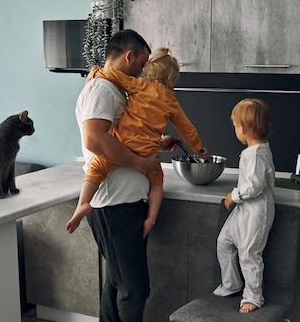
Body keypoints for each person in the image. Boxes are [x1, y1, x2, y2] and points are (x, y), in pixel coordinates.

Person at [75, 29, 176, 322]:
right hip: (112, 204)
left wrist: (154, 146)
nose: (143, 71)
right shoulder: (102, 89)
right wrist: (141, 162)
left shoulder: (111, 88)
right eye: (143, 62)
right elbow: (94, 140)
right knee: (134, 287)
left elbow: (120, 136)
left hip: (125, 203)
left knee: (116, 282)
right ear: (129, 56)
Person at [67, 47, 207, 234]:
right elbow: (186, 128)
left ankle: (83, 203)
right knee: (157, 183)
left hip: (122, 144)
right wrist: (199, 149)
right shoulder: (171, 101)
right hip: (147, 153)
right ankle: (151, 218)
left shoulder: (138, 85)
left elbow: (114, 76)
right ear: (172, 78)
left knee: (96, 168)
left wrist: (95, 71)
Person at [213, 98, 275, 313]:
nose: (234, 130)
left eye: (234, 125)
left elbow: (254, 187)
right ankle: (232, 284)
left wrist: (234, 196)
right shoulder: (253, 151)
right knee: (224, 241)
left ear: (243, 127)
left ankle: (253, 297)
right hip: (245, 209)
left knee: (249, 253)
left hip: (257, 211)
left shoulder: (257, 154)